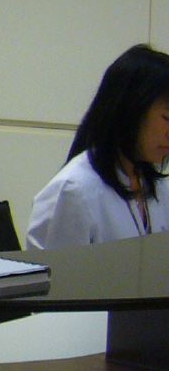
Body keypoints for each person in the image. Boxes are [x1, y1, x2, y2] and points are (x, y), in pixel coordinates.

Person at [28, 44, 169, 247]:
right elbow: (56, 267)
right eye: (166, 118)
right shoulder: (75, 191)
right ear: (129, 111)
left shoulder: (154, 185)